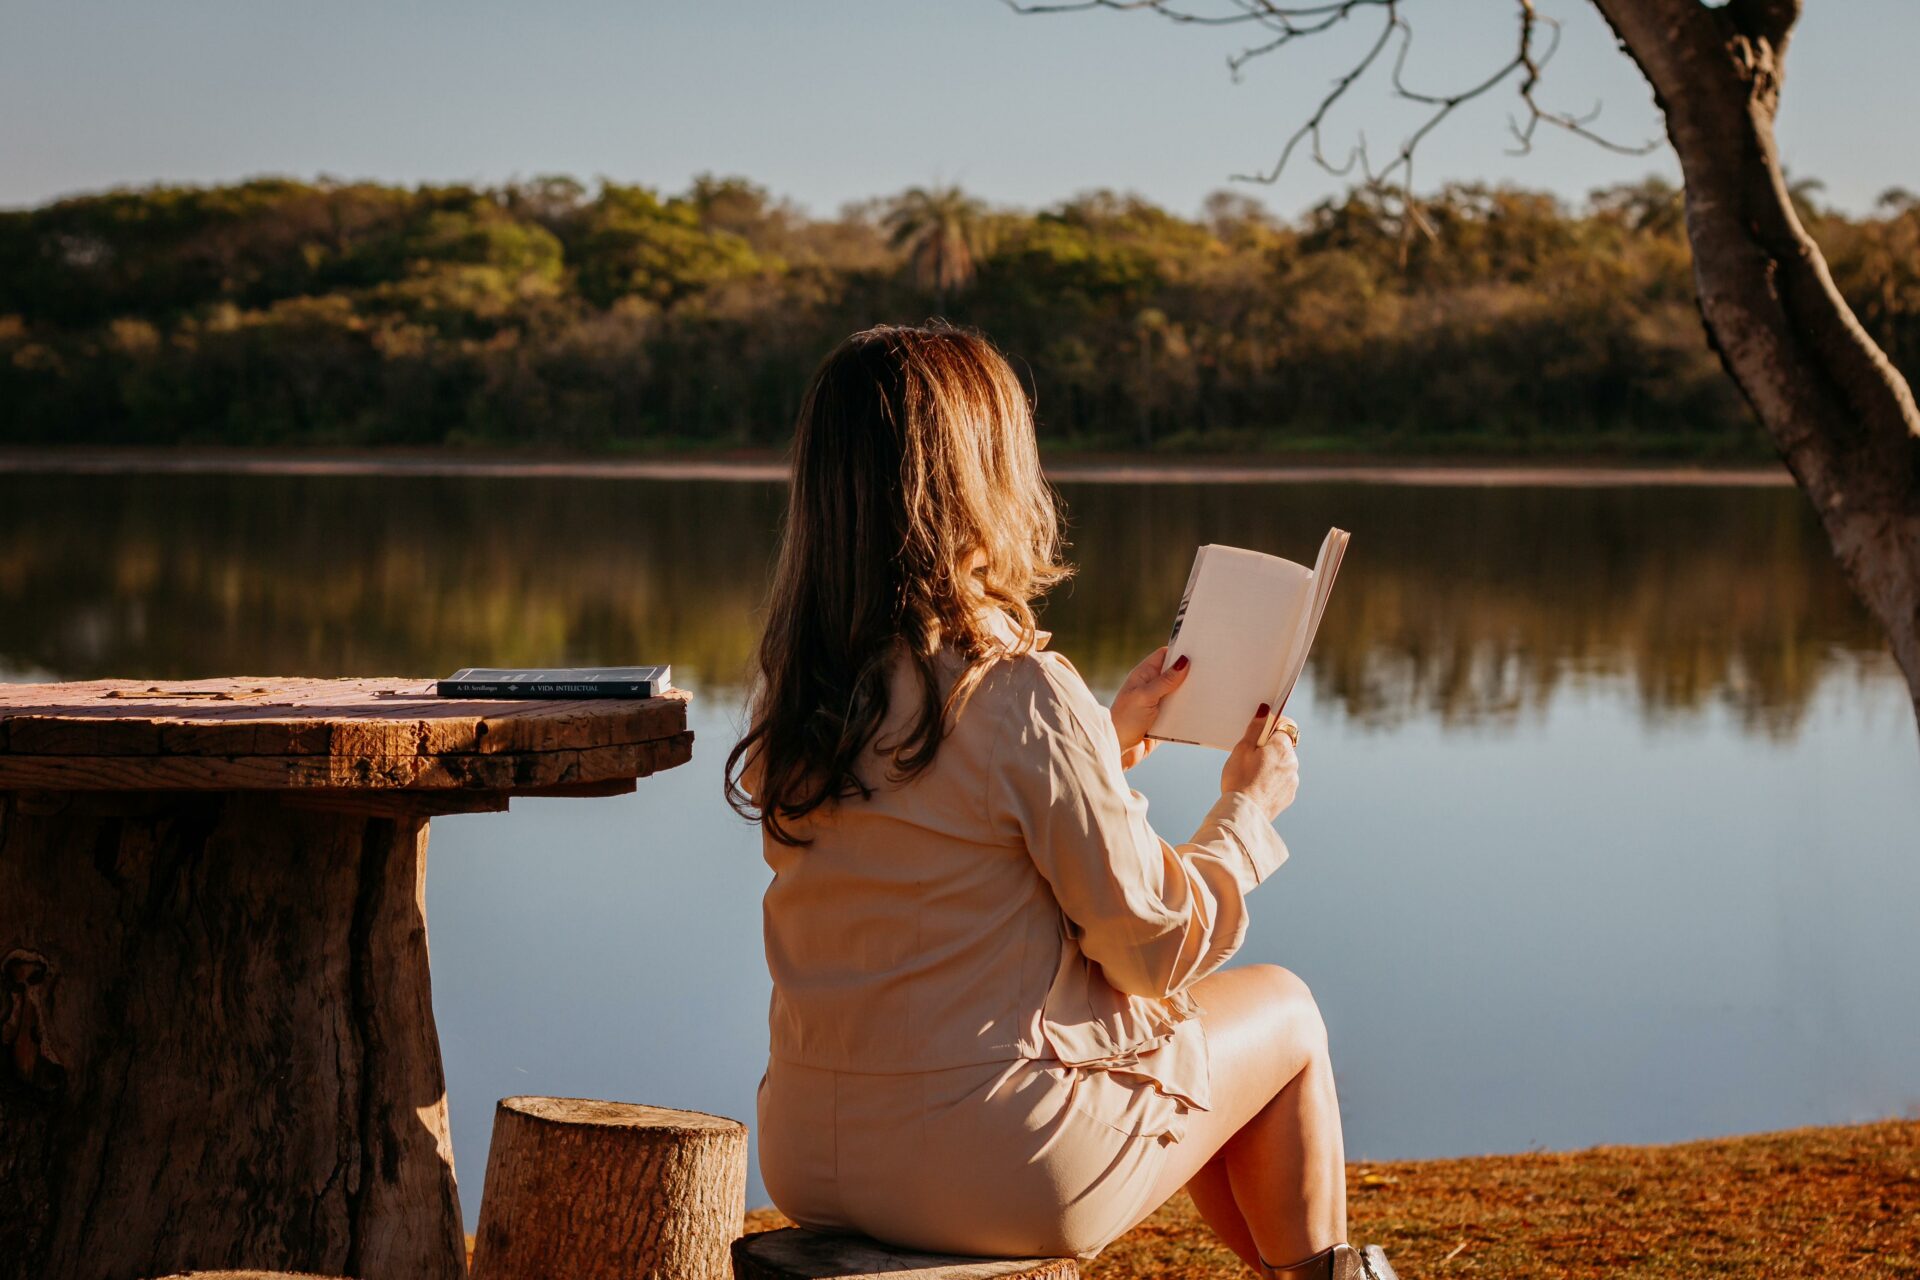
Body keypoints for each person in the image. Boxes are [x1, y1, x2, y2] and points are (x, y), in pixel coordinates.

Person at [726, 324, 1399, 1280]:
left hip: (809, 1150)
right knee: (1284, 1016)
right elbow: (1153, 949)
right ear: (986, 474)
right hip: (990, 1160)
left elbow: (944, 838)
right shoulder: (1016, 691)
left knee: (1187, 1053)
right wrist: (1247, 814)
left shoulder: (801, 691)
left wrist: (1106, 739)